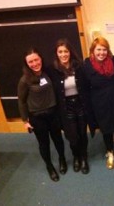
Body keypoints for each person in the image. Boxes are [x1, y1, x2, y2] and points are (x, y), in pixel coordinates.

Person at [17, 48, 66, 182]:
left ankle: (62, 159)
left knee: (58, 139)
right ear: (27, 64)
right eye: (31, 62)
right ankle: (49, 167)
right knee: (44, 144)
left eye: (36, 59)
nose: (34, 63)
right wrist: (25, 120)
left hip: (53, 113)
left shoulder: (48, 72)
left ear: (41, 59)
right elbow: (21, 101)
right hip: (37, 117)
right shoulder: (24, 80)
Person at [82, 36, 114, 170]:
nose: (102, 53)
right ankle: (110, 152)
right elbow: (85, 88)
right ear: (93, 51)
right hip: (99, 103)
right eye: (99, 49)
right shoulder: (87, 64)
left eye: (104, 49)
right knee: (106, 129)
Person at [48, 38, 89, 174]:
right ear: (56, 53)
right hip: (66, 107)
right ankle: (76, 156)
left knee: (82, 133)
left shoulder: (78, 66)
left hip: (80, 103)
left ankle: (83, 157)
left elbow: (86, 86)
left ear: (70, 52)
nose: (63, 54)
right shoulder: (52, 70)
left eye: (66, 51)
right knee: (72, 135)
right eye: (60, 52)